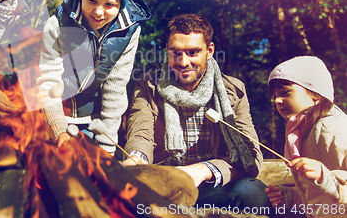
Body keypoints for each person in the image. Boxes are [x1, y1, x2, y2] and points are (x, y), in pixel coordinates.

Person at [123, 13, 271, 211]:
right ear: (167, 50)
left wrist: (204, 170)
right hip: (162, 186)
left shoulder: (233, 91)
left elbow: (251, 156)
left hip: (213, 186)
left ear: (209, 51)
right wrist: (136, 158)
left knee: (253, 194)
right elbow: (141, 134)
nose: (184, 62)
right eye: (176, 53)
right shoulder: (148, 85)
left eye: (193, 52)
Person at [37, 0, 150, 155]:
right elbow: (48, 83)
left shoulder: (130, 31)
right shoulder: (56, 26)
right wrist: (59, 130)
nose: (98, 12)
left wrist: (106, 146)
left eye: (109, 5)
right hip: (53, 119)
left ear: (122, 4)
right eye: (91, 1)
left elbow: (115, 89)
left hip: (94, 125)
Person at [265, 56, 347, 218]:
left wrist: (328, 179)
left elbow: (334, 187)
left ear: (316, 95)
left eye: (285, 93)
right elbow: (322, 198)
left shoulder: (331, 128)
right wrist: (293, 196)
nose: (277, 101)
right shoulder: (302, 134)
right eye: (275, 96)